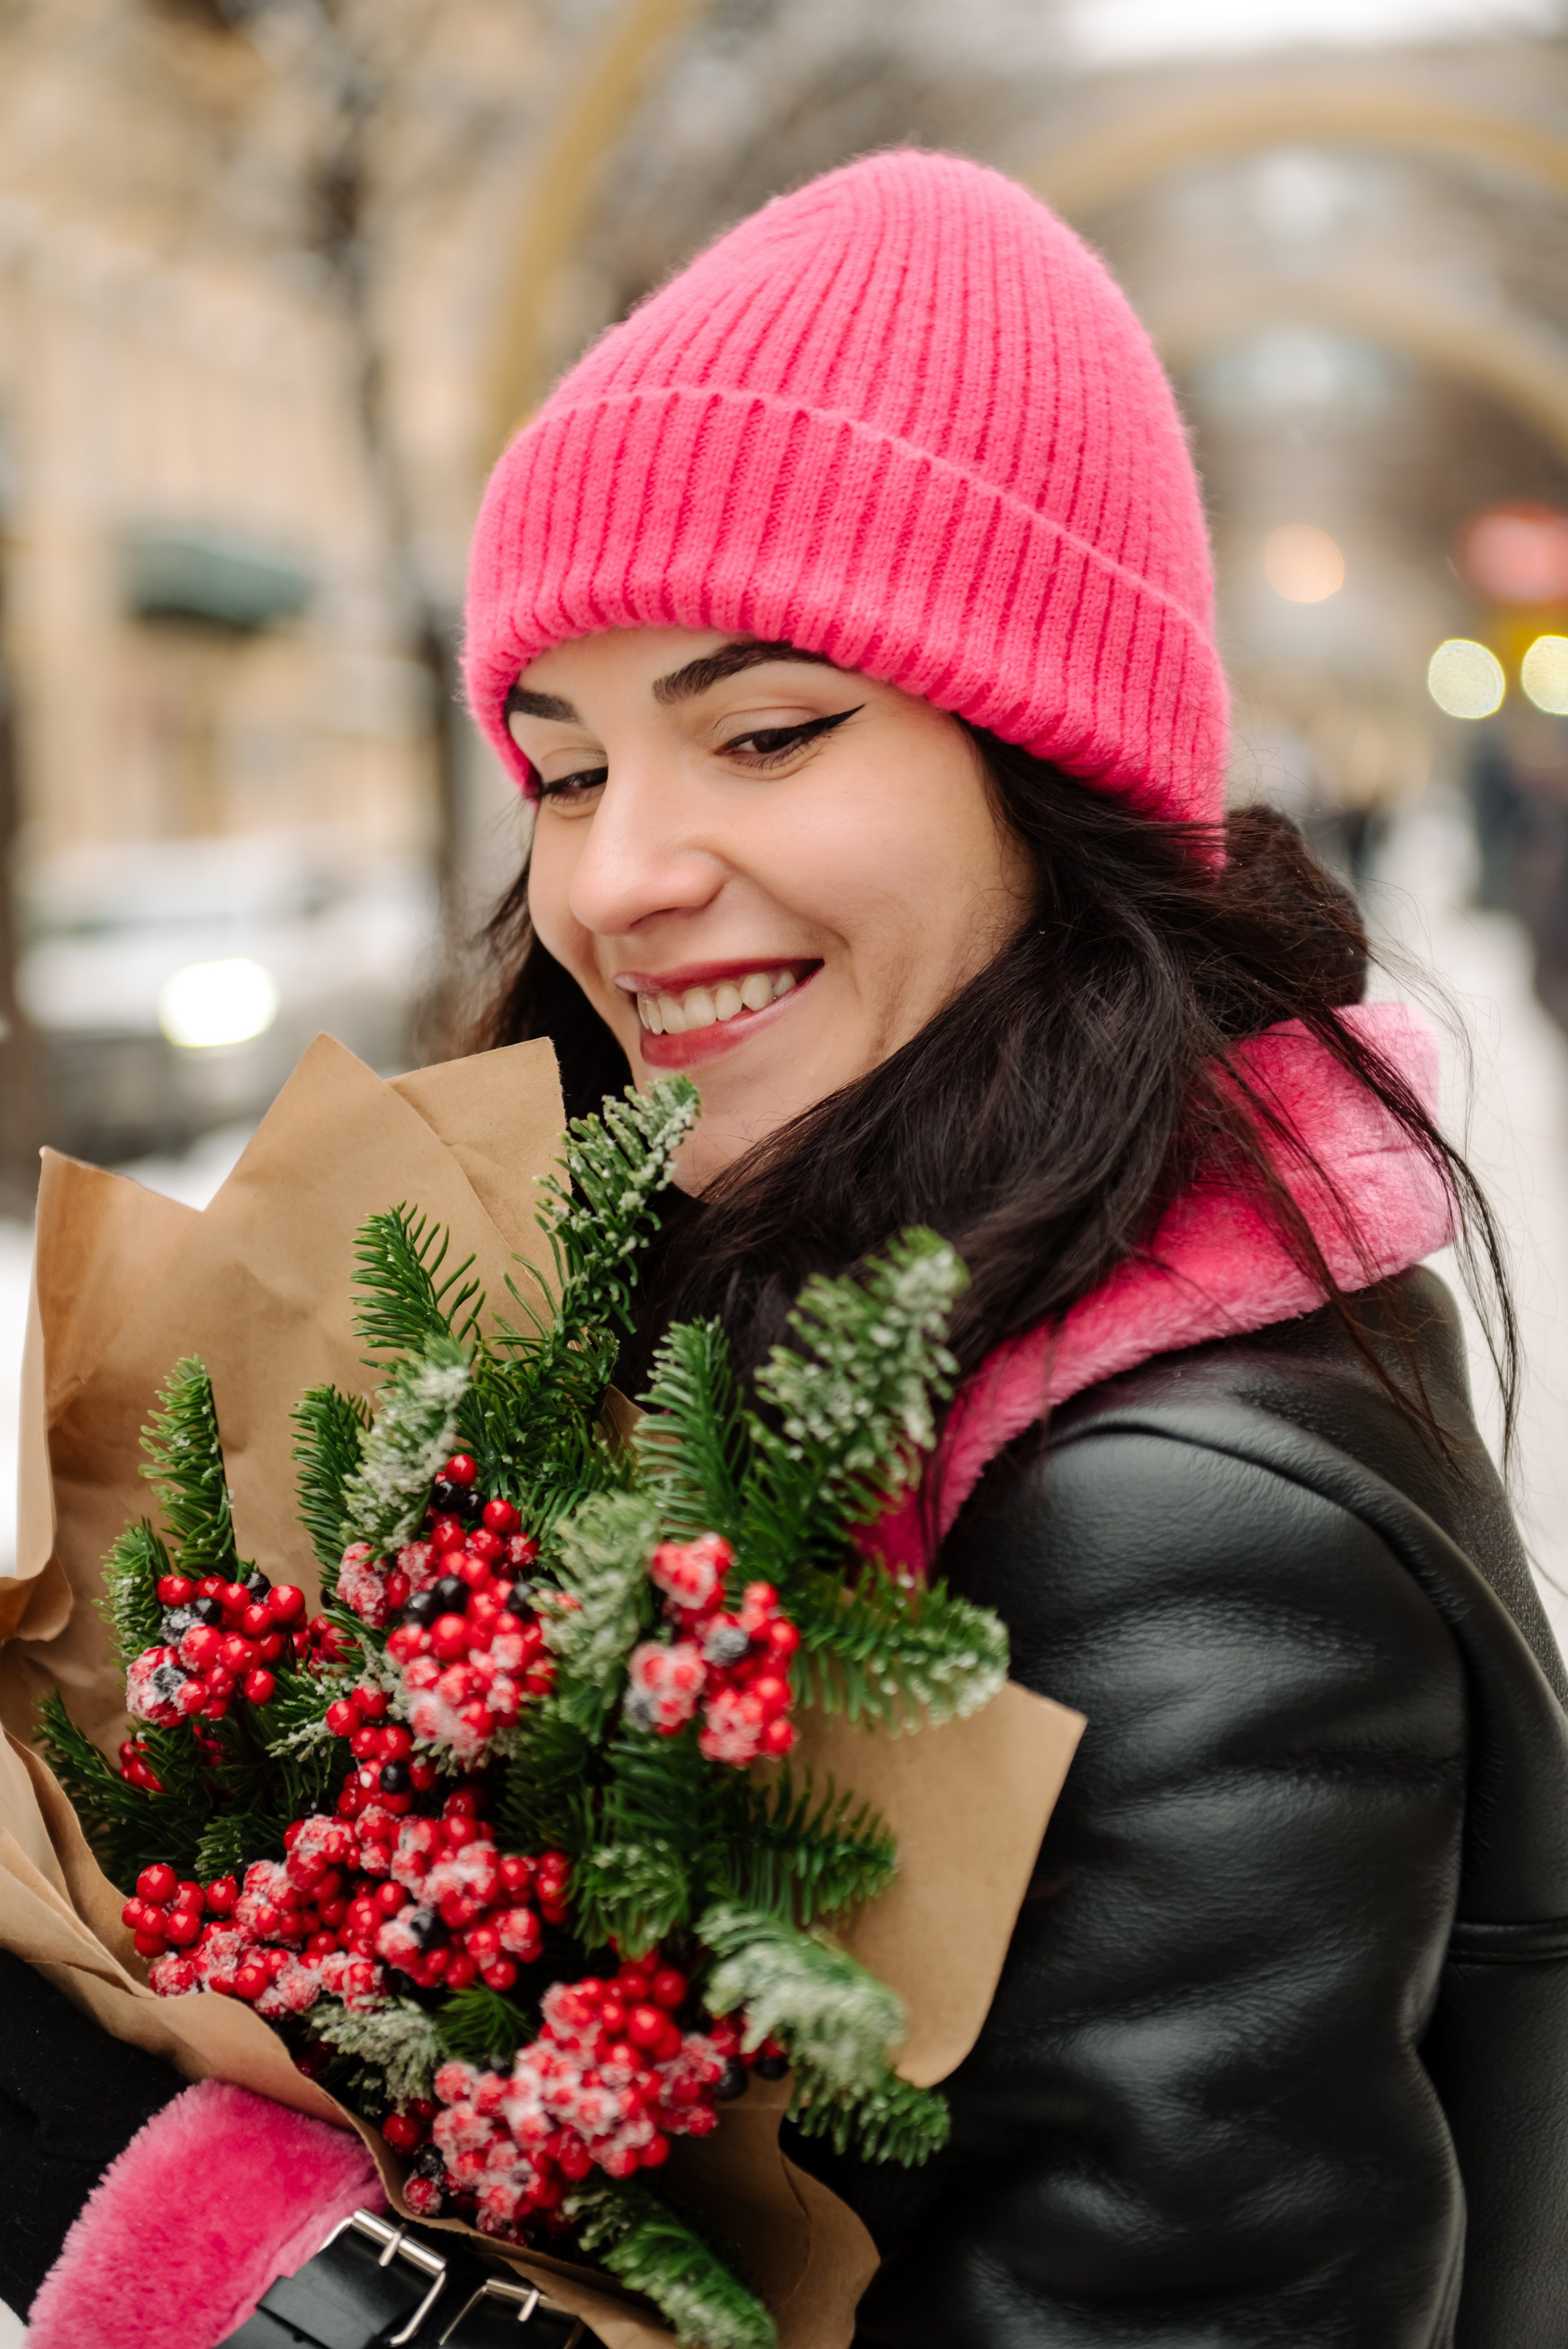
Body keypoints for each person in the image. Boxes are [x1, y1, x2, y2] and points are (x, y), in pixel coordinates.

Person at [12, 149, 1568, 2349]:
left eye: (767, 732)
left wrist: (205, 2242)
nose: (623, 875)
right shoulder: (720, 1322)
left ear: (1043, 763)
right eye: (562, 771)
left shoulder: (1179, 1529)